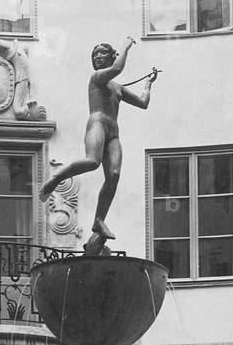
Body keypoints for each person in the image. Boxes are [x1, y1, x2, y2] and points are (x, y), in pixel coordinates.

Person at [39, 38, 157, 241]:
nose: (98, 57)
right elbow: (118, 68)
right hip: (98, 124)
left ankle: (99, 220)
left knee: (114, 174)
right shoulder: (96, 78)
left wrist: (148, 83)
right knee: (92, 161)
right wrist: (126, 46)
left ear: (111, 56)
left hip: (113, 132)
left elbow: (143, 103)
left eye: (103, 53)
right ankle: (57, 178)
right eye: (95, 55)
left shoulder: (117, 88)